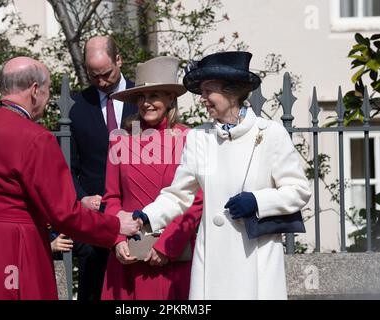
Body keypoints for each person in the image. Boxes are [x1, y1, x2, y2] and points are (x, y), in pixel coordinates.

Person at [0, 56, 140, 300]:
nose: (48, 99)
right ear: (35, 90)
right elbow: (64, 214)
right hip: (15, 249)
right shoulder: (37, 138)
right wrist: (114, 226)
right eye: (48, 90)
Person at [131, 51, 312, 299]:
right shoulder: (199, 137)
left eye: (208, 91)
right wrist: (148, 215)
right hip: (213, 263)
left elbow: (298, 190)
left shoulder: (270, 134)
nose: (202, 98)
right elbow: (178, 196)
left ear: (232, 92)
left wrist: (258, 201)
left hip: (255, 259)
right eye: (201, 92)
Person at [100, 56, 203, 300]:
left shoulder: (190, 139)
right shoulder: (121, 139)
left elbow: (197, 200)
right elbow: (112, 198)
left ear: (170, 98)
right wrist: (117, 240)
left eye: (154, 95)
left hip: (175, 255)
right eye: (141, 97)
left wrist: (169, 244)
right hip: (128, 255)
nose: (146, 103)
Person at [69, 36, 137, 301]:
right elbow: (69, 165)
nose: (101, 82)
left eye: (106, 74)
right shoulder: (76, 106)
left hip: (137, 211)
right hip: (95, 216)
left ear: (118, 60)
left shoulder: (144, 98)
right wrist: (81, 197)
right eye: (93, 75)